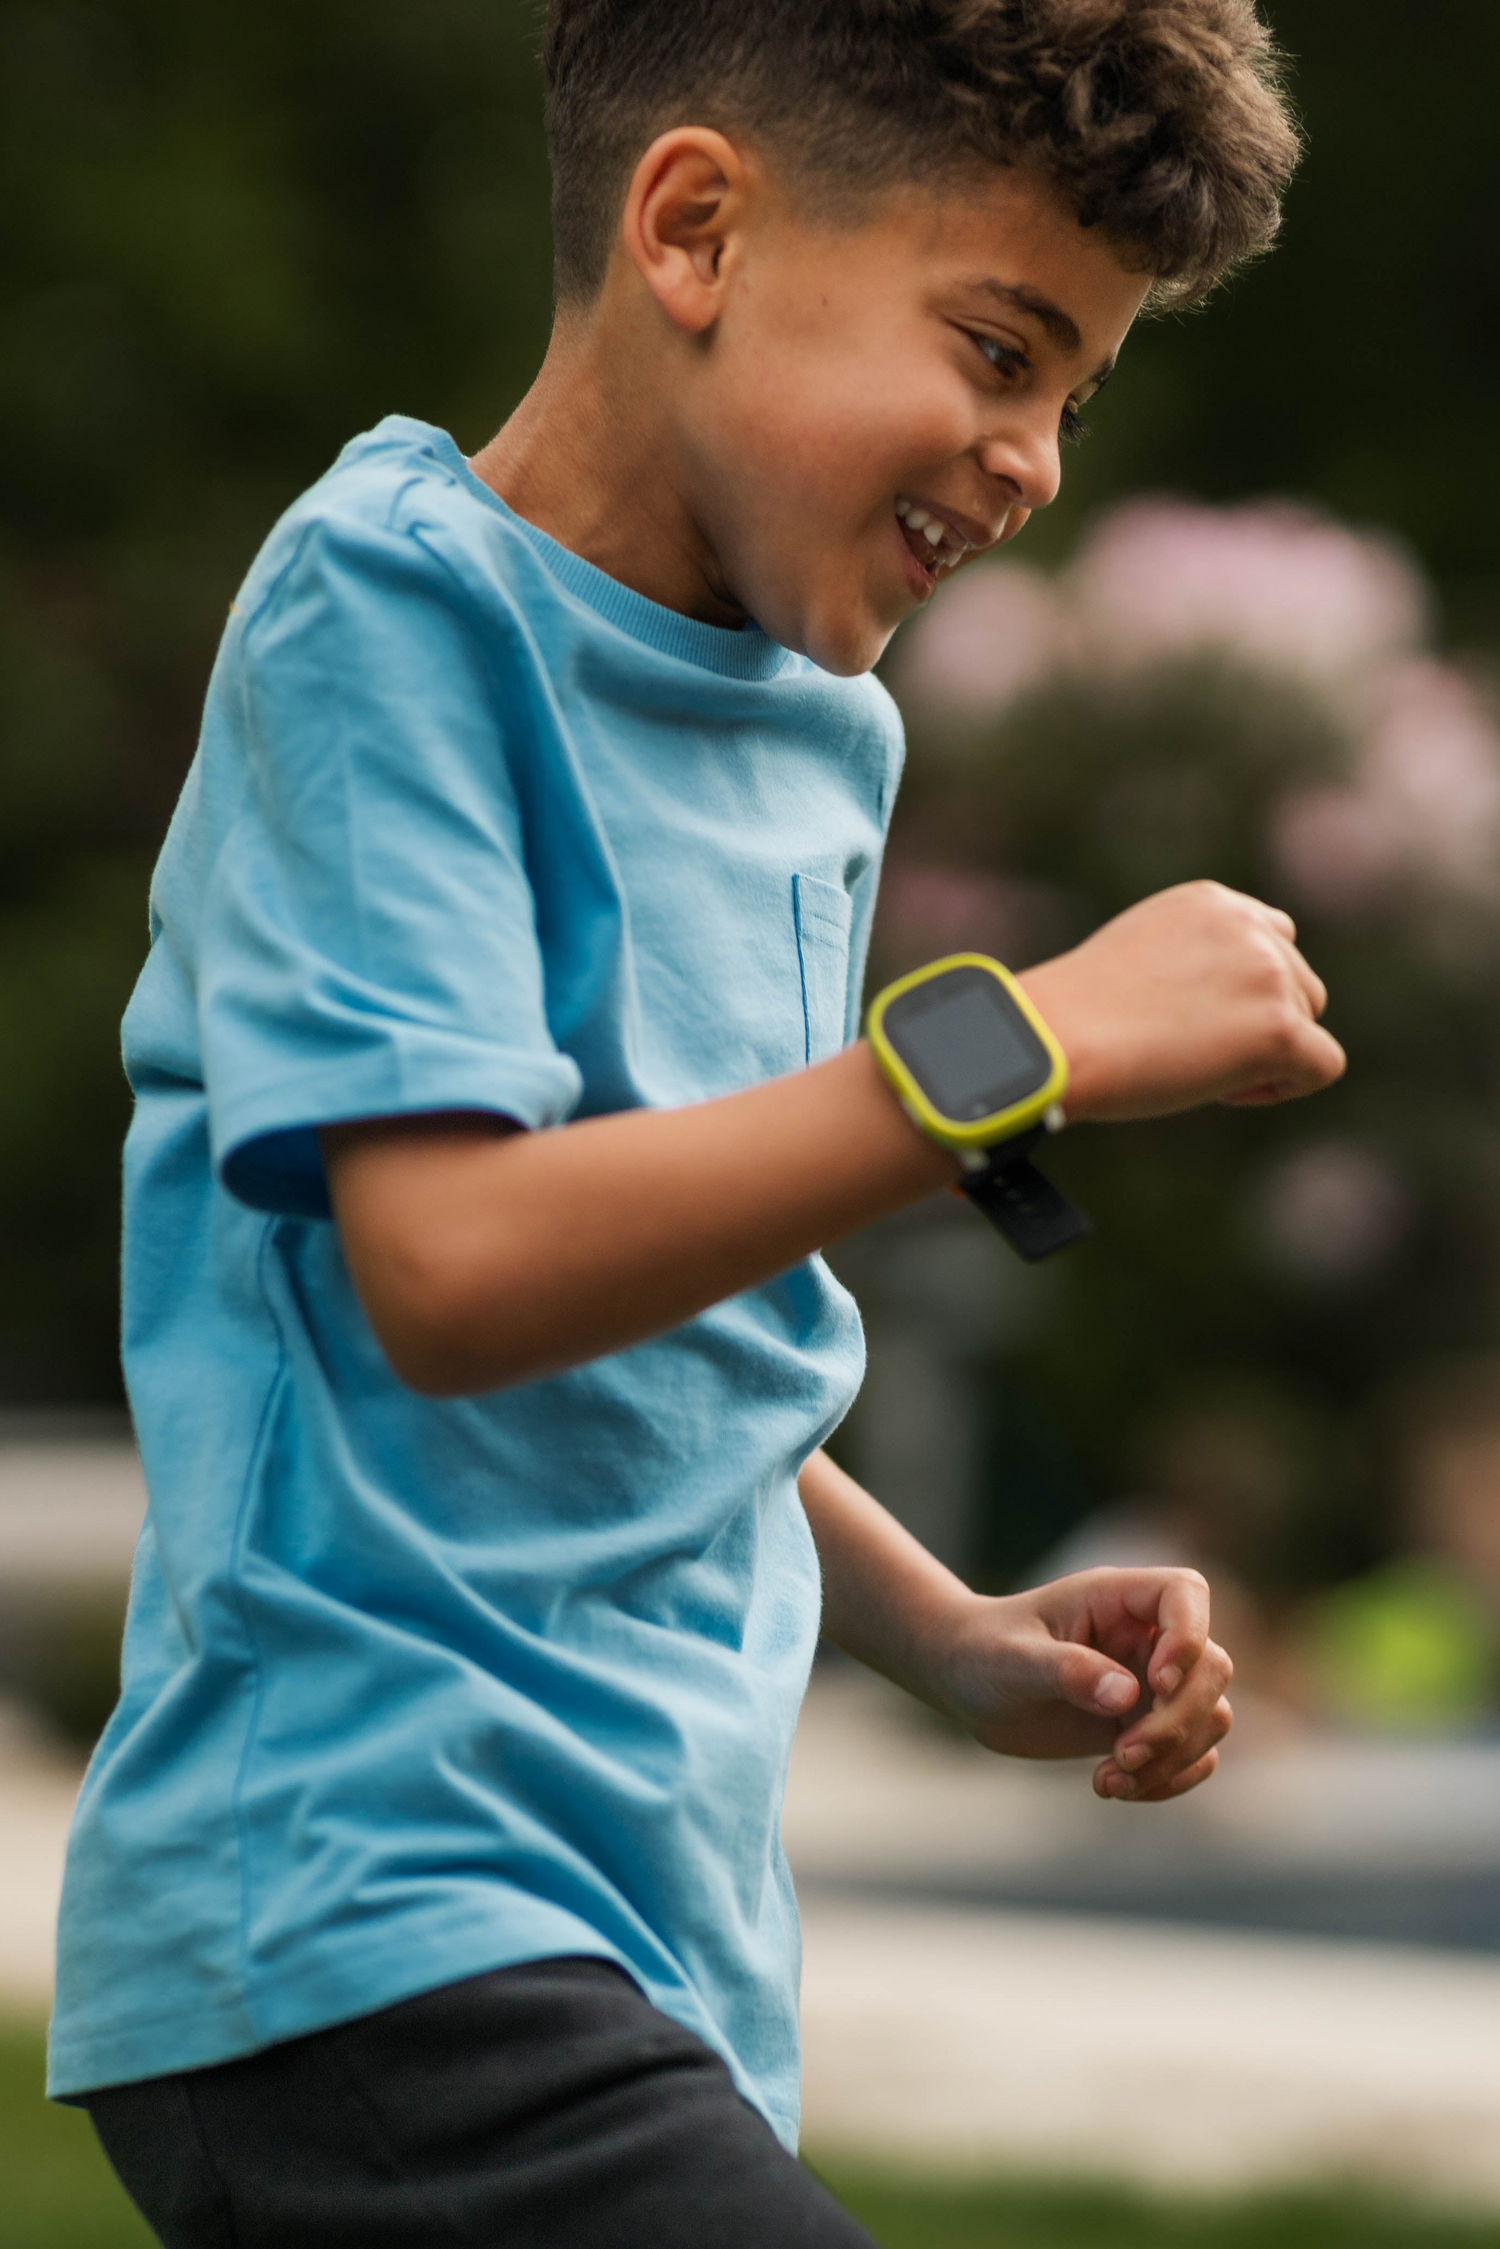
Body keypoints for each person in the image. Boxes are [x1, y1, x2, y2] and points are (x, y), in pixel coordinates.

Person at [51, 3, 1345, 2242]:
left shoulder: (817, 736)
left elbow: (656, 1309)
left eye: (1075, 392)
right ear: (695, 225)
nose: (1034, 456)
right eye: (1000, 344)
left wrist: (946, 1628)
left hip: (652, 1946)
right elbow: (456, 1270)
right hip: (369, 1912)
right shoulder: (394, 610)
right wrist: (1017, 1043)